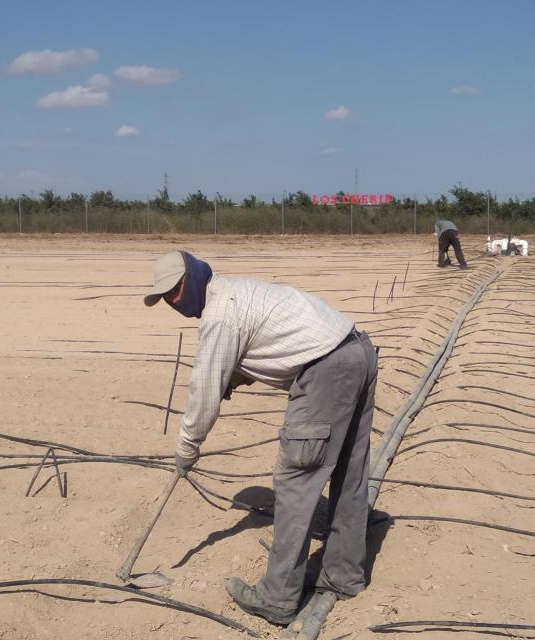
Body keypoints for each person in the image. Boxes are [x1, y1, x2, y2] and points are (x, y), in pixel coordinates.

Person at [143, 250, 378, 625]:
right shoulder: (233, 292)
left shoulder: (219, 316)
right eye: (165, 297)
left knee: (296, 482)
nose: (173, 301)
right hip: (357, 351)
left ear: (195, 276)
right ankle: (343, 575)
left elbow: (202, 394)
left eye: (176, 290)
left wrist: (187, 448)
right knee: (349, 473)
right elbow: (264, 343)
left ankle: (278, 597)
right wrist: (232, 379)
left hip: (325, 370)